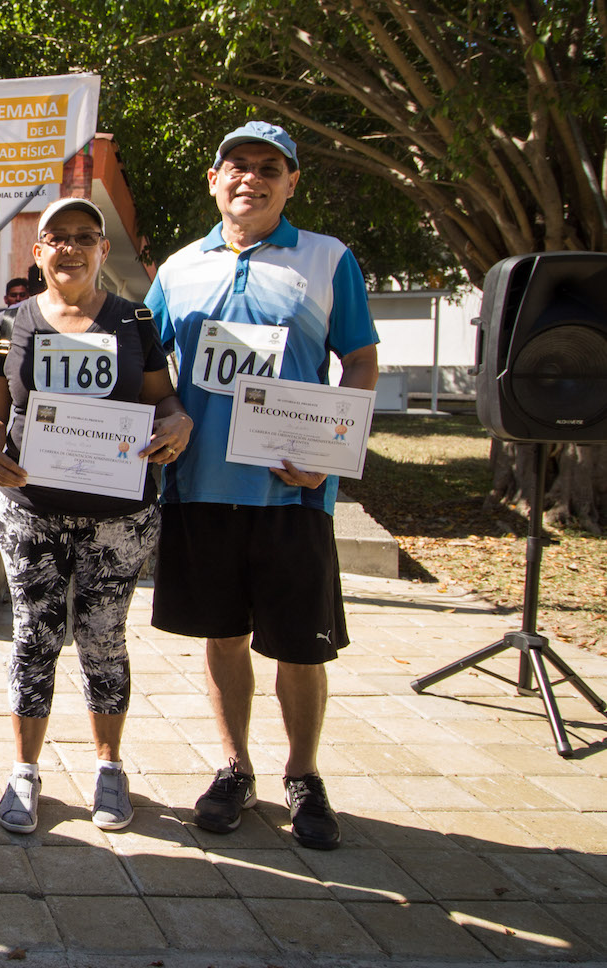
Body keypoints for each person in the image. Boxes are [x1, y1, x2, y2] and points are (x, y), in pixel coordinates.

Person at [145, 121, 379, 850]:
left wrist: (331, 455)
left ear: (291, 183)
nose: (251, 177)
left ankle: (304, 775)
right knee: (224, 637)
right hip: (201, 489)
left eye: (268, 167)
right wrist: (170, 411)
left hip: (294, 492)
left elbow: (362, 364)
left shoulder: (328, 259)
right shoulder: (178, 268)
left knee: (301, 649)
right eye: (236, 166)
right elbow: (153, 372)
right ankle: (235, 767)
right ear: (214, 180)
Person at [0, 198, 191, 834]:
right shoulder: (11, 323)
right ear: (36, 251)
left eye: (84, 237)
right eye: (56, 238)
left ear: (101, 249)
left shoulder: (134, 320)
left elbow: (165, 398)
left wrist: (177, 421)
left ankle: (109, 767)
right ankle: (24, 770)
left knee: (103, 638)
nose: (70, 248)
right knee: (33, 637)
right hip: (31, 510)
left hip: (118, 513)